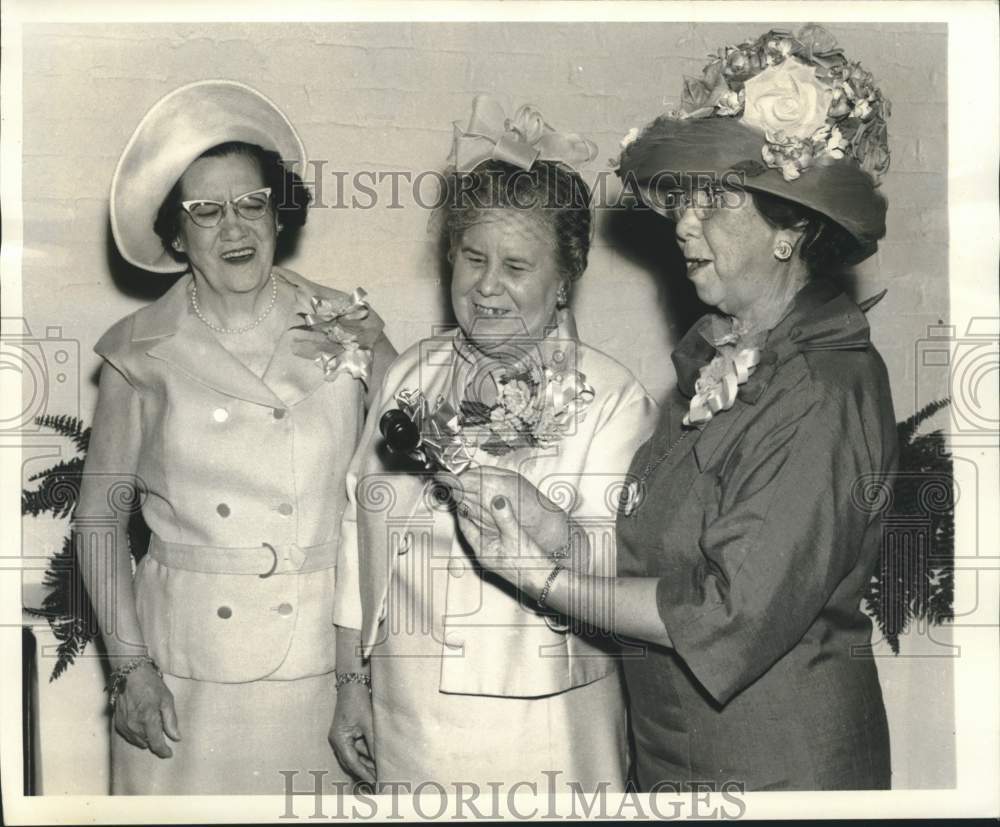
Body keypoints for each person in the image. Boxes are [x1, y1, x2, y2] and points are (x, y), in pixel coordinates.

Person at [453, 26, 898, 790]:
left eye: (717, 200)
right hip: (676, 758)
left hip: (776, 771)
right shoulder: (715, 360)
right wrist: (547, 523)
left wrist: (541, 578)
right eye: (686, 198)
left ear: (792, 228)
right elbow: (661, 560)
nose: (685, 221)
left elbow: (727, 613)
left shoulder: (824, 389)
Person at [75, 80, 396, 795]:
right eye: (206, 211)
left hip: (322, 668)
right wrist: (129, 669)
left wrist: (367, 671)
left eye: (251, 203)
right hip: (185, 674)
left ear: (277, 212)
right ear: (175, 232)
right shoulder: (138, 350)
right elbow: (99, 516)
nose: (234, 229)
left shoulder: (349, 325)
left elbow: (394, 494)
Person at [330, 95, 657, 791]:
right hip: (408, 714)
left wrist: (540, 516)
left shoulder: (614, 398)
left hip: (549, 726)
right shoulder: (414, 372)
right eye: (471, 257)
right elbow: (357, 526)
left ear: (564, 279)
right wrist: (349, 680)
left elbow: (620, 566)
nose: (485, 287)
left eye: (515, 267)